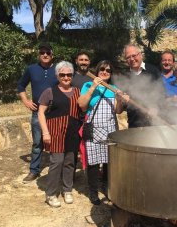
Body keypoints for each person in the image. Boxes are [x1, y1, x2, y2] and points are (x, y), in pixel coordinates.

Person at [78, 60, 128, 205]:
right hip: (93, 129)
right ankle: (93, 192)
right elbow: (82, 105)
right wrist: (94, 86)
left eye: (108, 70)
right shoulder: (87, 85)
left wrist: (119, 99)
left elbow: (118, 111)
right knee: (93, 162)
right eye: (102, 69)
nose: (105, 72)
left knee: (109, 162)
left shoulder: (113, 88)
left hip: (110, 129)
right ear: (97, 71)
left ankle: (107, 187)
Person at [37, 61, 81, 208]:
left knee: (70, 162)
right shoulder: (49, 92)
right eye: (62, 74)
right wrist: (45, 133)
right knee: (57, 162)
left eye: (69, 74)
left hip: (73, 132)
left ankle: (67, 190)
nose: (66, 77)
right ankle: (50, 194)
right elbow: (41, 113)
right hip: (55, 132)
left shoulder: (78, 91)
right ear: (57, 75)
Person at [17, 43, 58, 183]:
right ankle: (34, 170)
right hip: (37, 112)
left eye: (48, 52)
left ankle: (56, 170)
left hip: (55, 112)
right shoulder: (31, 69)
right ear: (38, 54)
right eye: (42, 52)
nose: (45, 55)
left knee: (56, 142)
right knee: (37, 143)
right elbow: (20, 85)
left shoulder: (59, 69)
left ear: (53, 54)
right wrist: (26, 101)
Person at [116, 44, 163, 128]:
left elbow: (162, 94)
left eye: (134, 55)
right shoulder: (125, 76)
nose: (131, 59)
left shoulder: (153, 70)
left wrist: (156, 108)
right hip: (134, 125)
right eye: (128, 57)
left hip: (154, 124)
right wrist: (120, 99)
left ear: (140, 55)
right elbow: (120, 109)